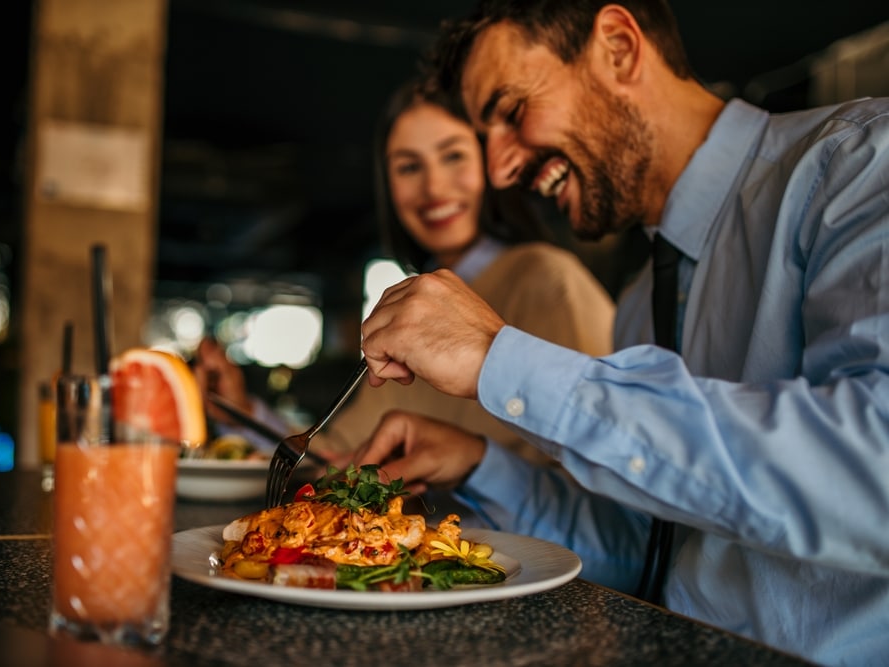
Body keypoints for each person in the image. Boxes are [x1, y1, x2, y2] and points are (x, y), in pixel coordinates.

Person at [353, 2, 889, 666]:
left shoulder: (861, 166)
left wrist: (500, 359)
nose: (498, 172)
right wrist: (483, 466)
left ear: (617, 46)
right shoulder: (640, 304)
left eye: (512, 111)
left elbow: (876, 470)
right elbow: (652, 551)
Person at [195, 76, 616, 470]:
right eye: (409, 167)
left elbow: (600, 450)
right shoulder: (414, 305)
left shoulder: (547, 279)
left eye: (453, 156)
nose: (434, 188)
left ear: (490, 163)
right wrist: (242, 411)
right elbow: (341, 456)